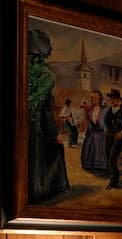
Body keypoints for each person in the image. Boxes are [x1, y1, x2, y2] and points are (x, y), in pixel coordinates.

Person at [26, 29, 69, 203]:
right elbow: (45, 109)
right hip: (34, 124)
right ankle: (40, 190)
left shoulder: (23, 68)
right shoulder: (46, 76)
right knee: (52, 149)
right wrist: (54, 133)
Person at [103, 89, 122, 189]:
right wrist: (106, 129)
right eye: (111, 98)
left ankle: (114, 181)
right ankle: (113, 178)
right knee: (108, 157)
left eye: (114, 99)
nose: (112, 100)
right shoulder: (109, 110)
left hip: (118, 139)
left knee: (112, 159)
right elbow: (105, 122)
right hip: (109, 137)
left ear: (119, 100)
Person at [80, 89, 107, 172]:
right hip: (91, 133)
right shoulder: (89, 109)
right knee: (88, 148)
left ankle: (99, 165)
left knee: (99, 149)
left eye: (96, 98)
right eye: (92, 98)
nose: (94, 99)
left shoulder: (104, 110)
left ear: (100, 98)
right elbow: (85, 122)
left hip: (100, 134)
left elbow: (104, 123)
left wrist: (99, 125)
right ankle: (88, 164)